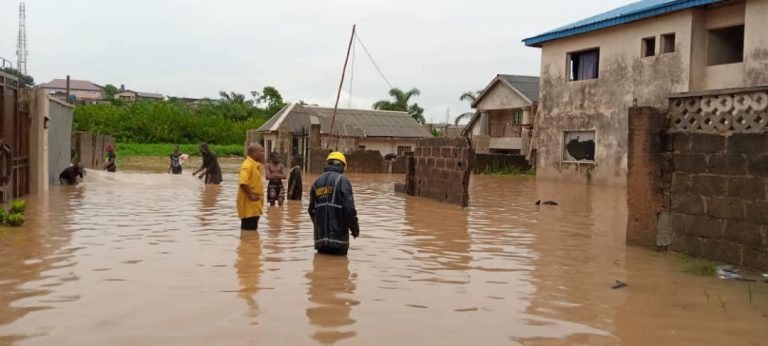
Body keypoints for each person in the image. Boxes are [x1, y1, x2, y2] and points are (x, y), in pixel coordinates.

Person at [308, 152, 360, 256]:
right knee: (340, 269)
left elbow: (311, 210)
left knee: (320, 269)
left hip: (320, 241)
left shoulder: (316, 182)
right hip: (338, 240)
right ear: (343, 166)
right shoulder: (343, 180)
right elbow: (349, 209)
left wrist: (319, 227)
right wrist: (355, 229)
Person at [238, 143, 265, 231]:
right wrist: (251, 195)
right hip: (249, 206)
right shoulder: (247, 165)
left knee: (252, 233)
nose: (263, 153)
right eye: (261, 151)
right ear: (254, 153)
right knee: (249, 230)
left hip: (254, 205)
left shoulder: (255, 165)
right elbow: (243, 183)